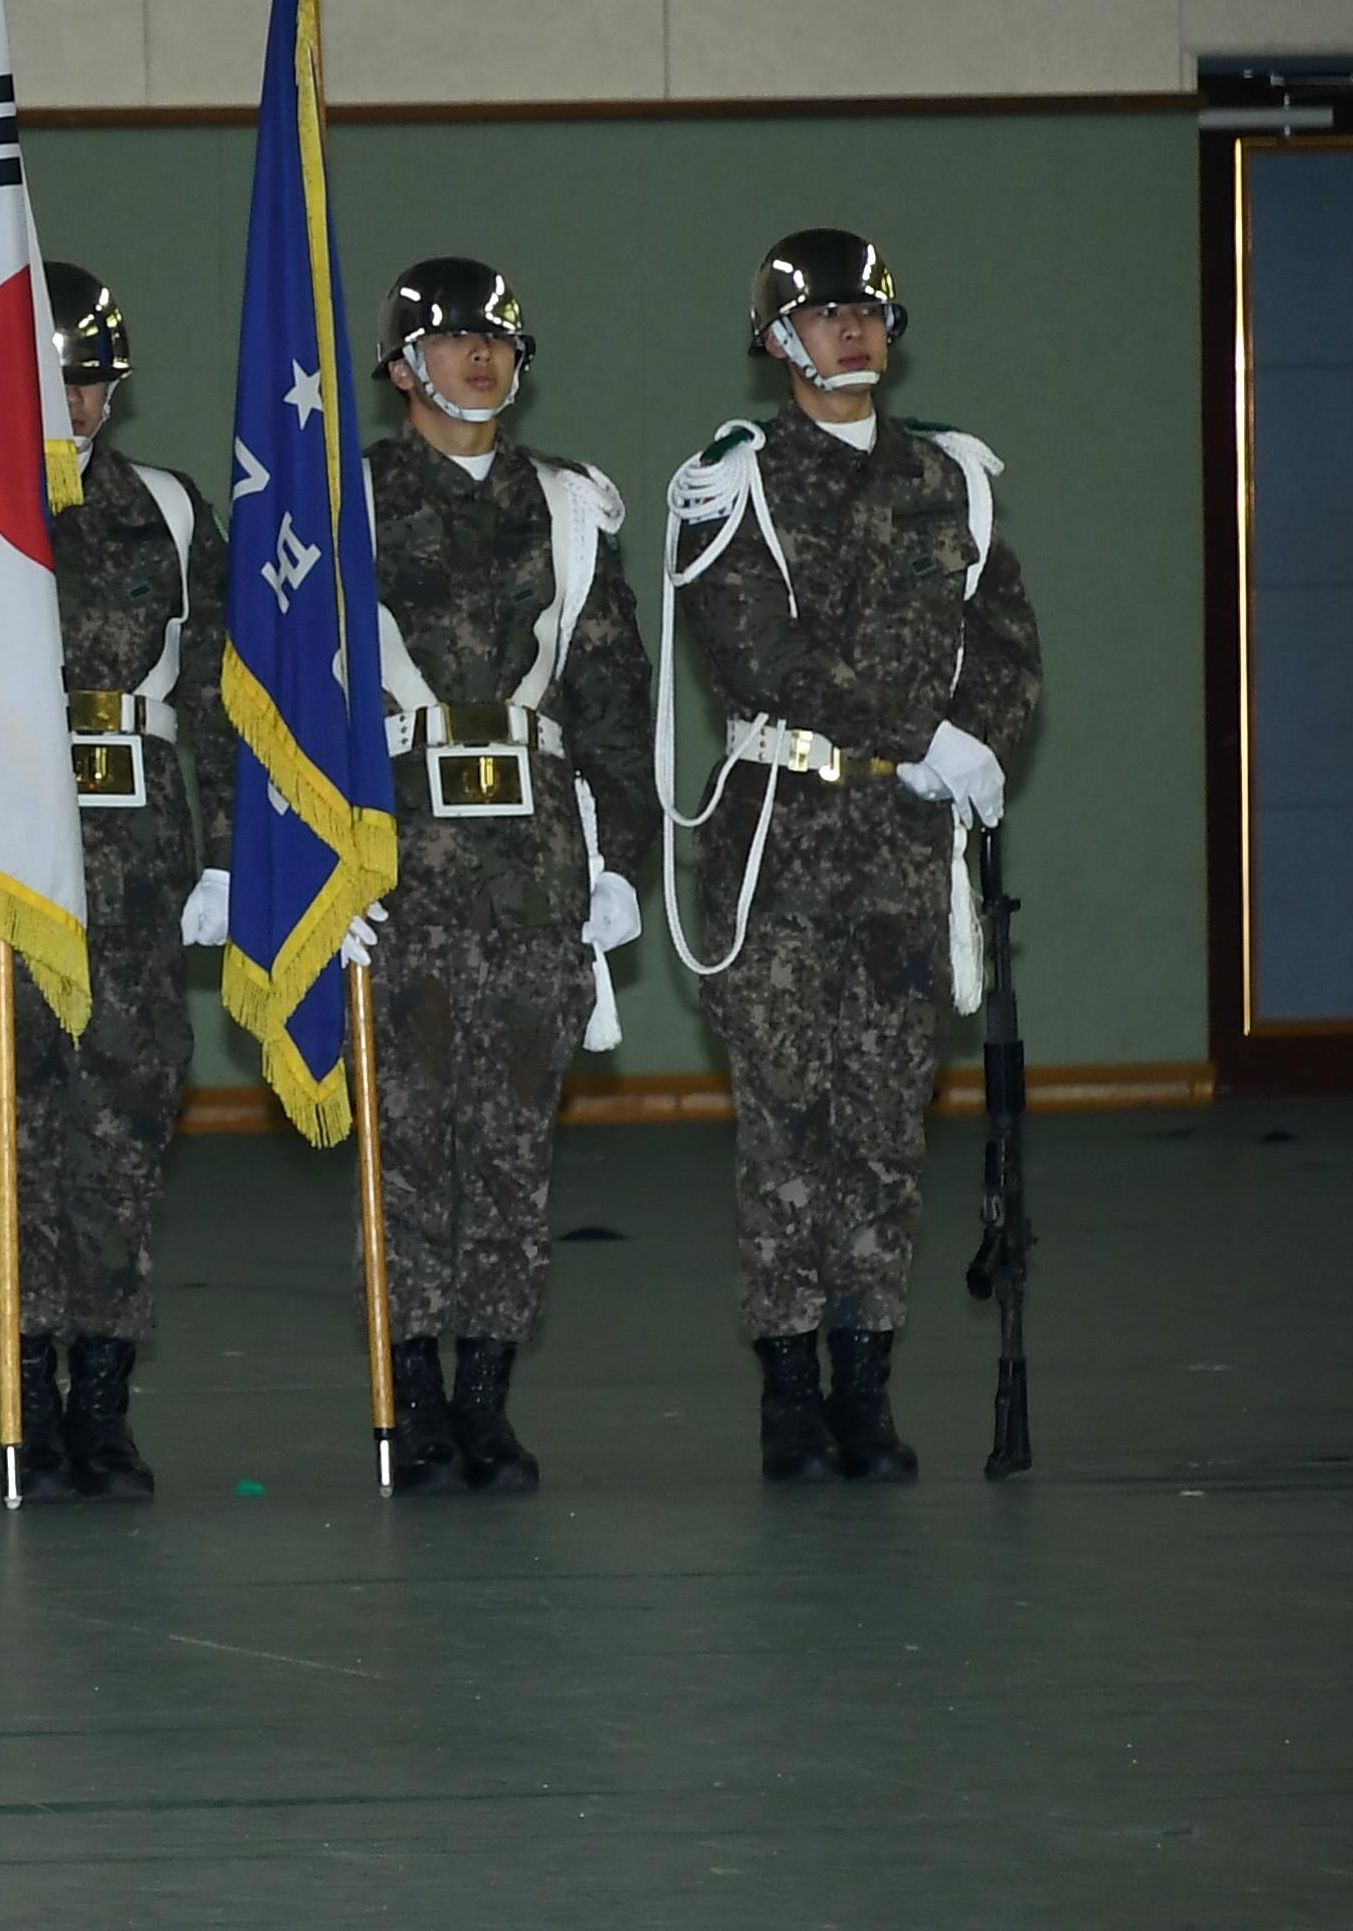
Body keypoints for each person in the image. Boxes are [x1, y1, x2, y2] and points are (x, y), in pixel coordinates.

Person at [665, 229, 1040, 1485]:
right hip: (782, 837)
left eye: (868, 308)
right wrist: (918, 727)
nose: (853, 329)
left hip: (903, 843)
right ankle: (788, 1386)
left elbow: (1006, 641)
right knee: (788, 1121)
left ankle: (865, 1383)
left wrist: (978, 738)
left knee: (887, 1123)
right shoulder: (737, 480)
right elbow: (751, 655)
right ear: (779, 339)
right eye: (825, 313)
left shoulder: (955, 477)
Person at [0, 265, 235, 1504]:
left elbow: (216, 694)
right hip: (3, 859)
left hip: (138, 870)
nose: (74, 397)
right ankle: (25, 1387)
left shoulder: (164, 510)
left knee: (120, 1135)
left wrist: (223, 859)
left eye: (91, 376)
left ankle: (100, 1398)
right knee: (9, 1134)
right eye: (50, 377)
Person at [351, 259, 654, 1495]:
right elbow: (290, 695)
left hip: (532, 863)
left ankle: (487, 1393)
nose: (483, 357)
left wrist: (620, 861)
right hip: (399, 852)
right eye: (457, 338)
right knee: (408, 1137)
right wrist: (319, 863)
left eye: (499, 340)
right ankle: (413, 1391)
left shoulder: (570, 507)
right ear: (404, 363)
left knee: (516, 1139)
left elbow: (615, 700)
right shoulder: (348, 500)